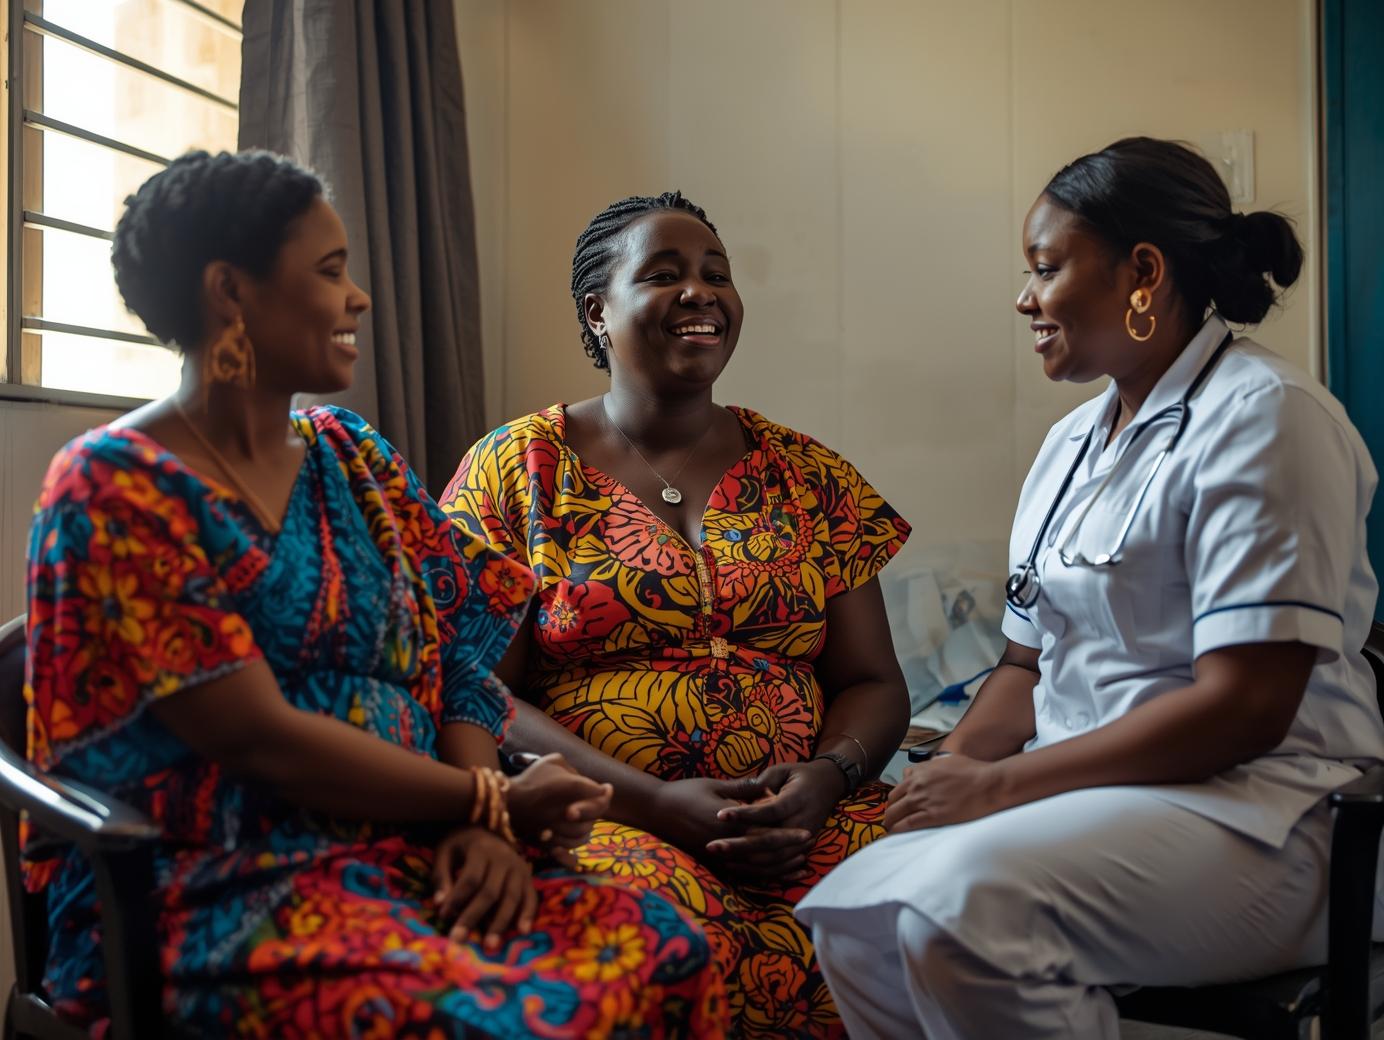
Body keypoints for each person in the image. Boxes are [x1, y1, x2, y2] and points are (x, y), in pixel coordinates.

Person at [23, 151, 726, 1038]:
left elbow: (461, 650)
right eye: (329, 272)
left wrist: (477, 827)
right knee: (511, 1022)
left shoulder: (350, 455)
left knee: (665, 949)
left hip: (404, 841)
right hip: (213, 885)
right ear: (229, 292)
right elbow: (256, 739)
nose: (359, 297)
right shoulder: (113, 488)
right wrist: (486, 802)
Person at [795, 136, 1384, 1039]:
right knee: (852, 917)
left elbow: (1244, 708)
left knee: (962, 915)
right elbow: (1025, 670)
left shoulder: (1267, 418)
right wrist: (953, 771)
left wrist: (998, 793)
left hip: (1271, 811)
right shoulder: (1073, 445)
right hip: (1102, 803)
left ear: (1142, 272)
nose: (1025, 298)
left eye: (1045, 267)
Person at [441, 191, 912, 1037]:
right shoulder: (514, 469)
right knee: (655, 940)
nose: (702, 293)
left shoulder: (812, 474)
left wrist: (826, 779)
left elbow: (875, 681)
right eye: (664, 275)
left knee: (950, 897)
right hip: (609, 818)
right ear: (599, 310)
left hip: (808, 820)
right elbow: (477, 693)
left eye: (717, 275)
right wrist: (656, 804)